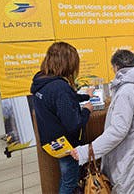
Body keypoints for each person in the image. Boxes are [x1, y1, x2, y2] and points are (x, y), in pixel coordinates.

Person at [71, 50, 134, 194]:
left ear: (116, 66)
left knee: (132, 187)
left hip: (128, 158)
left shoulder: (126, 91)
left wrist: (87, 151)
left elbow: (117, 132)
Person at [31, 42, 93, 194]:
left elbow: (63, 99)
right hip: (67, 145)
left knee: (69, 177)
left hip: (52, 142)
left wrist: (86, 96)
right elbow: (74, 124)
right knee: (69, 181)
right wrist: (86, 110)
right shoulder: (60, 87)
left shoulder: (42, 80)